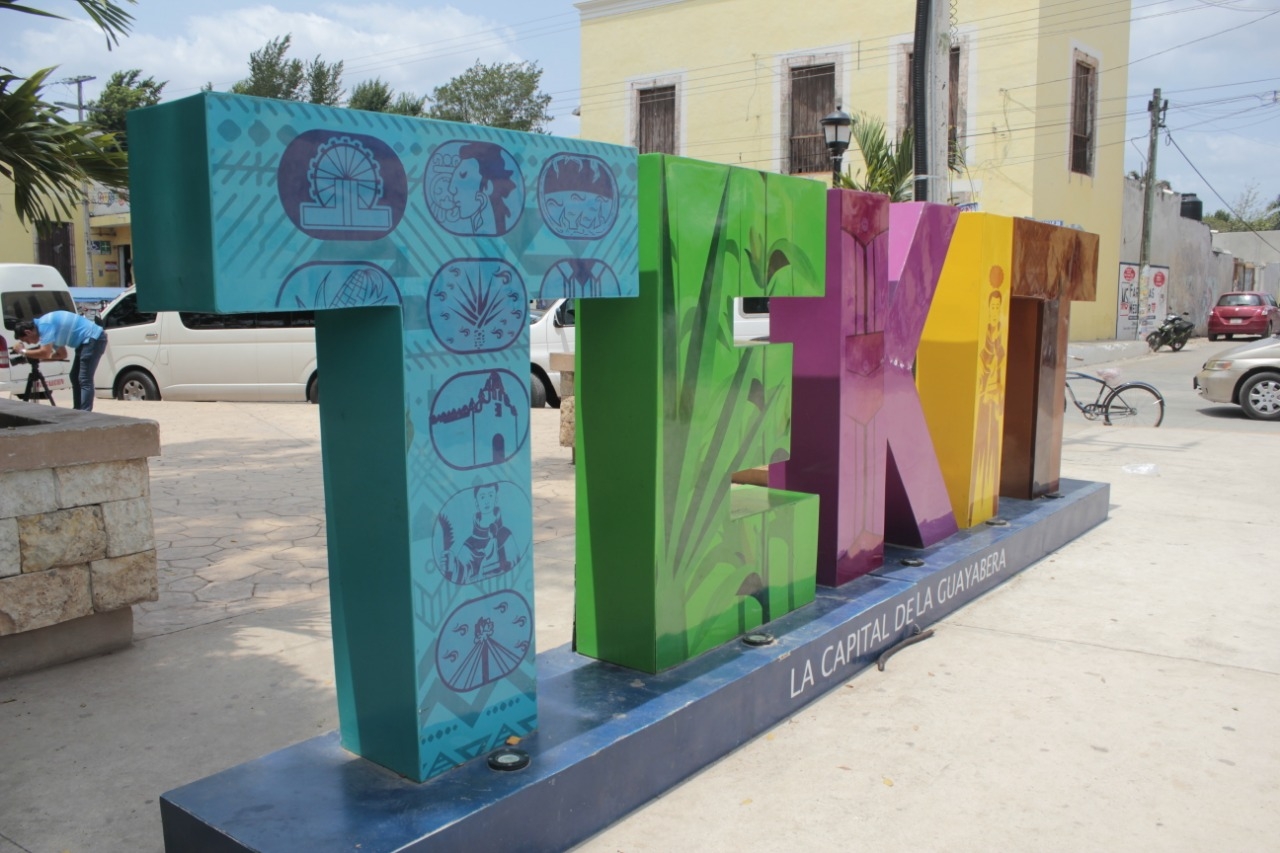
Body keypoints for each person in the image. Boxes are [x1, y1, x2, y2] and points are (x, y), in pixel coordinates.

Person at [12, 311, 108, 411]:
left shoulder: (44, 325)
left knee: (84, 379)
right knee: (74, 376)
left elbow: (45, 352)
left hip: (93, 338)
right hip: (85, 342)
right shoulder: (46, 332)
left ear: (28, 332)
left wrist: (23, 351)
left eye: (27, 340)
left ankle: (85, 413)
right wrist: (36, 358)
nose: (29, 343)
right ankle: (78, 410)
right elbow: (61, 355)